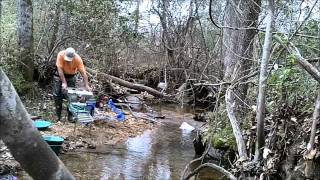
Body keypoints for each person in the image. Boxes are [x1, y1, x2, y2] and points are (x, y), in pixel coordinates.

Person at [52, 47, 91, 121]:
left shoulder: (78, 59)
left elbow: (83, 73)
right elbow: (59, 70)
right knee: (57, 95)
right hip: (59, 76)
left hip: (71, 77)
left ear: (74, 56)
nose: (67, 61)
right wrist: (64, 82)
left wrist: (86, 85)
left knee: (72, 96)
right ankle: (58, 116)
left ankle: (70, 116)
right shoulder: (60, 55)